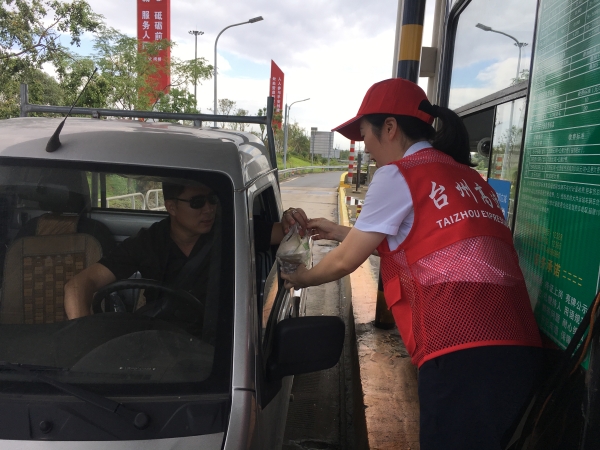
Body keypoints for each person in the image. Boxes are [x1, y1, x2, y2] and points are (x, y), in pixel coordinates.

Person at [280, 78, 542, 450]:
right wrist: (340, 231)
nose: (365, 148)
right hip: (518, 345)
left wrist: (299, 279)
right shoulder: (468, 177)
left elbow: (344, 262)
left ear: (389, 128)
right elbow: (424, 246)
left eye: (365, 135)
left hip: (458, 347)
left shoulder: (399, 174)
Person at [65, 181, 308, 328]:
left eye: (212, 200)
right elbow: (78, 285)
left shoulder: (232, 232)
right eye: (197, 202)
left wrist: (291, 216)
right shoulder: (149, 241)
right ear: (171, 207)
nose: (209, 209)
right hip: (159, 341)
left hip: (220, 347)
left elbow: (288, 232)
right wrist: (82, 336)